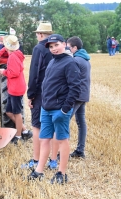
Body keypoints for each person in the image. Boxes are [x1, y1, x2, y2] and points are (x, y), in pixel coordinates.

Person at [28, 34, 81, 184]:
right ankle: (39, 171)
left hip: (60, 110)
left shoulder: (70, 63)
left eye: (56, 45)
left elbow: (75, 89)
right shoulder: (52, 62)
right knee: (44, 139)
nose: (54, 49)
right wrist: (43, 104)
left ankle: (61, 173)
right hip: (46, 108)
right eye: (51, 47)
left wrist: (64, 110)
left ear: (64, 44)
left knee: (62, 140)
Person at [22, 22, 53, 170]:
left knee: (36, 126)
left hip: (41, 92)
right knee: (52, 126)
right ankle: (53, 159)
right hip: (55, 93)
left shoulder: (39, 48)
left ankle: (36, 160)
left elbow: (34, 74)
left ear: (40, 35)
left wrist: (31, 94)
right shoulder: (57, 48)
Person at [0, 35, 32, 144]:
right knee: (9, 112)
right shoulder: (16, 53)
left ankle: (19, 136)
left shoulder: (13, 57)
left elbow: (14, 73)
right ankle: (25, 131)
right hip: (13, 87)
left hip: (16, 88)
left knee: (17, 113)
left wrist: (3, 72)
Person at [65, 36, 91, 159]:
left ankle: (63, 152)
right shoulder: (85, 59)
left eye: (68, 47)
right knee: (81, 123)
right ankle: (80, 150)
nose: (67, 49)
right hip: (84, 95)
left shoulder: (75, 61)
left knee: (64, 121)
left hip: (76, 95)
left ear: (75, 48)